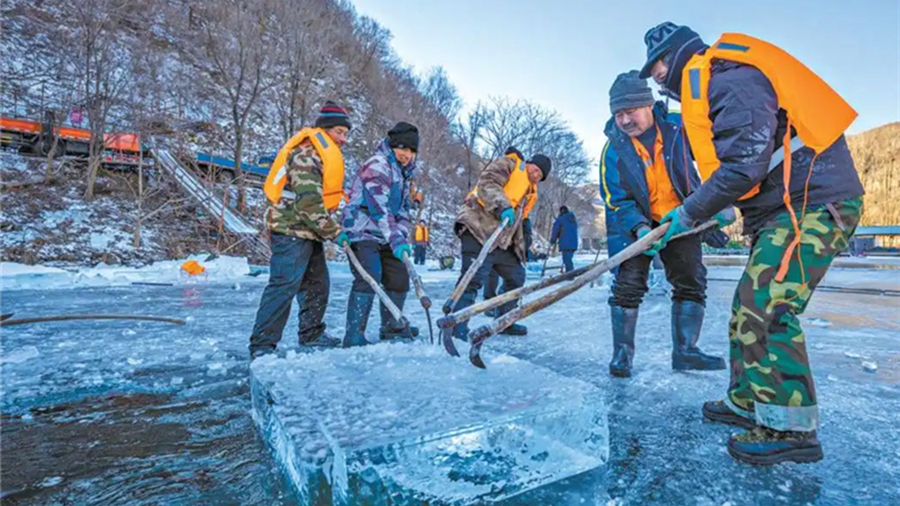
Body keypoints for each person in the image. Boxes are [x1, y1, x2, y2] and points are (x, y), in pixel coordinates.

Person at [639, 22, 864, 464]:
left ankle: (792, 429)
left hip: (813, 203)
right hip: (783, 207)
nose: (656, 77)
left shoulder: (728, 76)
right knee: (748, 305)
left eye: (658, 65)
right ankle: (748, 401)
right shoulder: (713, 83)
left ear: (677, 54)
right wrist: (712, 212)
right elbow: (747, 168)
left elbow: (745, 165)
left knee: (768, 304)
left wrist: (689, 212)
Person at [601, 70, 729, 379]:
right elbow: (615, 198)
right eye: (618, 114)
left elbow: (713, 160)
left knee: (691, 281)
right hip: (634, 225)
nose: (624, 120)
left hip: (682, 218)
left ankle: (685, 351)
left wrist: (715, 206)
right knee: (627, 286)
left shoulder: (678, 127)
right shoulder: (613, 148)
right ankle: (622, 356)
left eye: (630, 111)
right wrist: (640, 229)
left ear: (647, 104)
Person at [249, 101, 352, 358]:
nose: (343, 140)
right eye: (340, 132)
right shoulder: (305, 156)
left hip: (308, 232)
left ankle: (312, 334)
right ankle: (262, 345)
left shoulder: (319, 155)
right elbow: (308, 204)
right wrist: (334, 232)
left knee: (318, 285)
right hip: (290, 231)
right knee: (284, 285)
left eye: (346, 134)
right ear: (325, 130)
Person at [450, 147, 551, 339]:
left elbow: (518, 222)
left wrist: (522, 244)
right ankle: (456, 324)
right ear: (528, 163)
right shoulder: (510, 164)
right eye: (536, 169)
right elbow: (487, 183)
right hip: (477, 229)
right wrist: (503, 205)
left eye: (541, 175)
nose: (536, 175)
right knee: (472, 278)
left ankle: (504, 320)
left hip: (500, 241)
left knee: (516, 276)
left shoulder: (529, 192)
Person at [341, 122, 421, 347]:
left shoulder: (405, 174)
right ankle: (354, 334)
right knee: (370, 276)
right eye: (403, 149)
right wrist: (395, 238)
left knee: (399, 275)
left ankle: (392, 326)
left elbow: (403, 209)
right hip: (362, 230)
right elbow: (379, 208)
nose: (407, 155)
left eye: (411, 151)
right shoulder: (377, 165)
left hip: (387, 234)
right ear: (393, 146)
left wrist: (401, 237)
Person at [550, 205, 579, 272]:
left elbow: (555, 230)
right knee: (568, 259)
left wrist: (553, 240)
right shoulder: (572, 219)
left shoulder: (560, 219)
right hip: (573, 243)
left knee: (567, 260)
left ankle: (570, 274)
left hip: (565, 243)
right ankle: (568, 272)